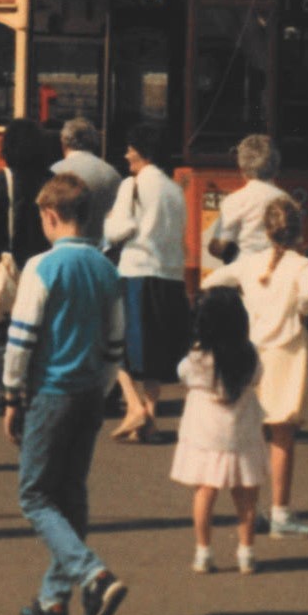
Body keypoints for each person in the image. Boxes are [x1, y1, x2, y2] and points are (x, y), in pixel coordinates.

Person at [4, 172, 129, 615]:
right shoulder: (107, 269)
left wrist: (12, 395)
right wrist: (102, 387)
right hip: (89, 394)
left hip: (50, 392)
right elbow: (116, 342)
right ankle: (53, 602)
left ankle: (93, 574)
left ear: (51, 216)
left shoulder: (41, 267)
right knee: (71, 493)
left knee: (34, 496)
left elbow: (21, 339)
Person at [202, 196, 308, 539]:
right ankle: (281, 513)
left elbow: (211, 282)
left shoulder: (249, 263)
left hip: (251, 352)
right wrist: (300, 311)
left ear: (266, 230)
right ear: (300, 231)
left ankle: (249, 512)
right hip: (288, 353)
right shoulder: (304, 266)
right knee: (283, 436)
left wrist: (238, 311)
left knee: (252, 435)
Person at [169, 286, 268, 575]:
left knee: (205, 492)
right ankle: (247, 552)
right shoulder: (249, 355)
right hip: (242, 431)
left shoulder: (197, 358)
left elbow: (182, 374)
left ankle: (203, 552)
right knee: (246, 495)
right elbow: (258, 377)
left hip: (205, 432)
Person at [102, 123, 189, 443]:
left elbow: (117, 231)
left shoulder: (132, 185)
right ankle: (148, 417)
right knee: (153, 351)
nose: (126, 154)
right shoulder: (175, 190)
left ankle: (134, 406)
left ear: (142, 152)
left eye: (130, 148)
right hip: (169, 276)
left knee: (117, 345)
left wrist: (111, 224)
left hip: (136, 272)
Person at [0, 119, 55, 414]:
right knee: (36, 328)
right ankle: (29, 388)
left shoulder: (3, 179)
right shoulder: (51, 179)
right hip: (42, 264)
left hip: (10, 262)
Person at [206, 134, 284, 263]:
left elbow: (218, 247)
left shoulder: (234, 200)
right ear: (276, 166)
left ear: (242, 167)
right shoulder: (286, 200)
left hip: (245, 274)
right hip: (279, 274)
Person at [51, 117, 120, 246]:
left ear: (63, 143)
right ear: (94, 142)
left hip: (64, 249)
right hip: (103, 251)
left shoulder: (55, 172)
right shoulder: (112, 174)